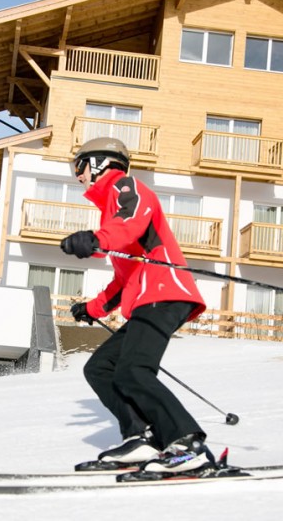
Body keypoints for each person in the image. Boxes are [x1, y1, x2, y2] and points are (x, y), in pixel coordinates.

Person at [60, 137, 211, 478]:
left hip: (166, 293)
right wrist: (93, 308)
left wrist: (97, 240)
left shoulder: (125, 186)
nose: (78, 176)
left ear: (99, 163)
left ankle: (187, 444)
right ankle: (140, 437)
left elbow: (131, 220)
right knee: (100, 368)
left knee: (134, 370)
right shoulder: (110, 212)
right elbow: (123, 279)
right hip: (147, 298)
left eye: (79, 167)